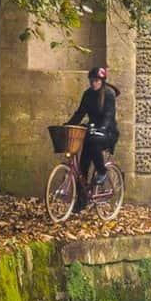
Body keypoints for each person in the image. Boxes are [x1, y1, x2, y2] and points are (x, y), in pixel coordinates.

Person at [65, 66, 119, 209]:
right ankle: (81, 201)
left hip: (108, 133)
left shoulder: (108, 94)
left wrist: (103, 128)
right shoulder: (88, 94)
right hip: (92, 131)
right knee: (82, 167)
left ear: (102, 81)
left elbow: (109, 115)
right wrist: (69, 125)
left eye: (96, 81)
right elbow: (80, 112)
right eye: (91, 81)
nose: (93, 83)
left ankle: (102, 171)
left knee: (94, 142)